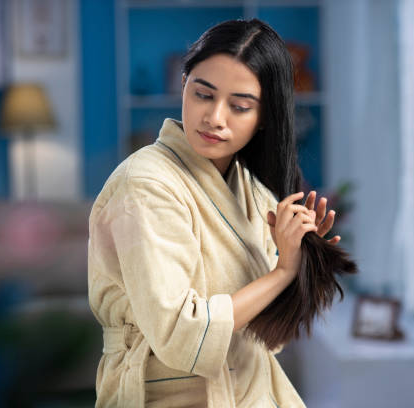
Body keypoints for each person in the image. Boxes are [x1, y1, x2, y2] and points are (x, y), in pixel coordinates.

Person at [88, 18, 342, 407]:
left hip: (252, 389)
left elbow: (269, 337)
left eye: (240, 106)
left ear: (263, 119)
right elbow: (180, 337)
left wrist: (303, 256)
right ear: (184, 83)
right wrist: (282, 273)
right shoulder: (146, 185)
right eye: (202, 94)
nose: (215, 117)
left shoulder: (252, 188)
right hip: (168, 394)